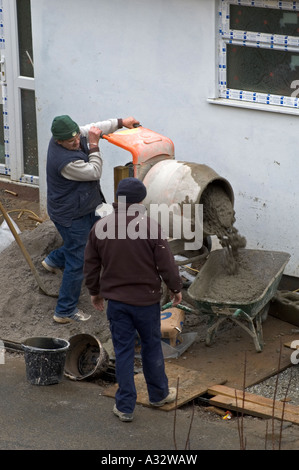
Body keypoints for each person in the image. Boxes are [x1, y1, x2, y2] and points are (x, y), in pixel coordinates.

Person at [83, 177, 183, 422]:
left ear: (117, 200)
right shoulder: (150, 226)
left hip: (116, 303)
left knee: (124, 351)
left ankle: (125, 407)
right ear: (140, 201)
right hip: (146, 302)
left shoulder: (100, 227)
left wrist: (95, 292)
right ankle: (158, 395)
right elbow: (166, 264)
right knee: (151, 348)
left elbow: (91, 266)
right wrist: (175, 288)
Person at [43, 114, 140, 323]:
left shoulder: (70, 135)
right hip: (69, 213)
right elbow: (94, 172)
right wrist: (94, 146)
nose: (78, 142)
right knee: (79, 258)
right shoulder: (65, 162)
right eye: (72, 142)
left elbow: (95, 129)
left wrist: (121, 123)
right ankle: (64, 311)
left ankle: (51, 261)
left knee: (99, 233)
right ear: (58, 141)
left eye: (78, 137)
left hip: (85, 204)